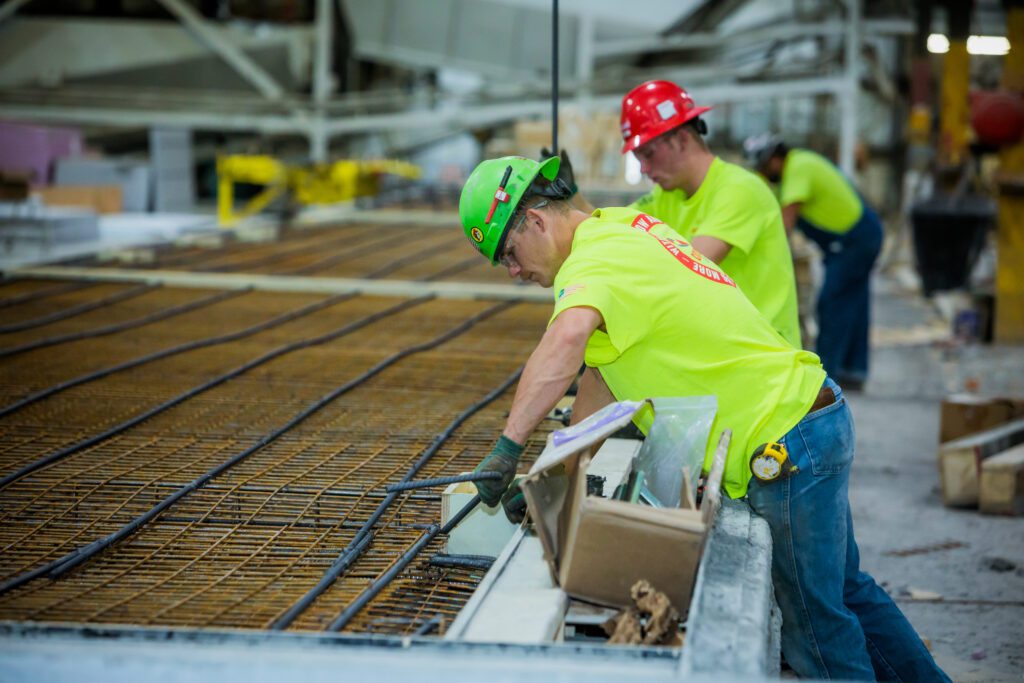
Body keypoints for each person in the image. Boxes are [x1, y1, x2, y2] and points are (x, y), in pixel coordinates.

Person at [457, 154, 950, 682]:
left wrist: (508, 447)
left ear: (534, 220)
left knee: (816, 632)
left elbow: (567, 339)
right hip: (809, 416)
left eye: (508, 253)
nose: (513, 272)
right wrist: (554, 473)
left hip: (784, 444)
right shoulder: (620, 225)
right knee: (845, 594)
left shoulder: (592, 263)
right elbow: (599, 379)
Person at [556, 80, 801, 348]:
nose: (645, 169)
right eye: (639, 158)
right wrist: (568, 196)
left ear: (682, 139)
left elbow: (692, 269)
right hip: (720, 347)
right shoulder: (666, 196)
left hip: (764, 357)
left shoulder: (740, 190)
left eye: (648, 154)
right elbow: (605, 231)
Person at [744, 134, 884, 390]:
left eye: (765, 167)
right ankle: (853, 371)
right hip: (855, 237)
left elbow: (783, 225)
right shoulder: (794, 171)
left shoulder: (799, 168)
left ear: (775, 158)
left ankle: (825, 379)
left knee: (833, 304)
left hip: (856, 239)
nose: (765, 174)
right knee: (853, 302)